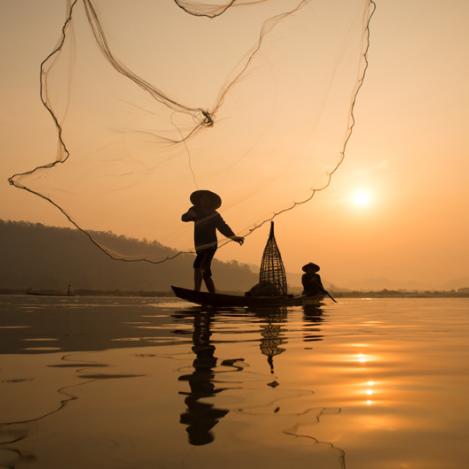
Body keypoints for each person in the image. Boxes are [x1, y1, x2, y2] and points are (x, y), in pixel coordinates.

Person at [182, 190, 244, 293]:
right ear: (199, 200)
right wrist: (189, 215)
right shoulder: (195, 211)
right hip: (200, 246)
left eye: (207, 199)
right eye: (202, 199)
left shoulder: (214, 215)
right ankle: (213, 294)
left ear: (211, 202)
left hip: (210, 245)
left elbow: (223, 227)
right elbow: (184, 218)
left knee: (198, 265)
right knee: (205, 271)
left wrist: (234, 237)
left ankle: (196, 291)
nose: (204, 201)